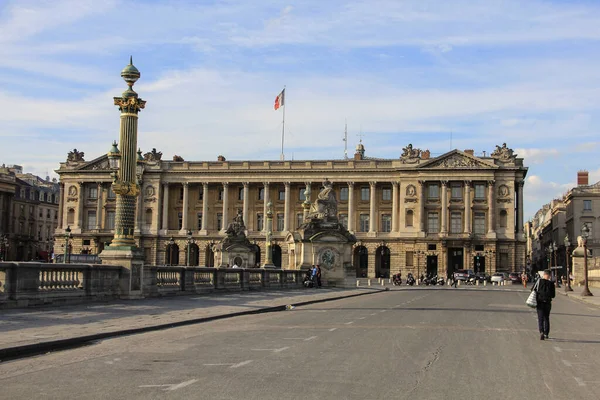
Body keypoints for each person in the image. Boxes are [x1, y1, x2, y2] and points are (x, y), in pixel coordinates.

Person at [534, 269, 556, 340]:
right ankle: (546, 333)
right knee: (546, 318)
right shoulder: (551, 284)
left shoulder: (539, 281)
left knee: (540, 318)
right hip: (547, 302)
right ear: (549, 276)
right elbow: (553, 295)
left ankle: (541, 332)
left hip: (539, 302)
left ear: (544, 275)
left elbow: (533, 290)